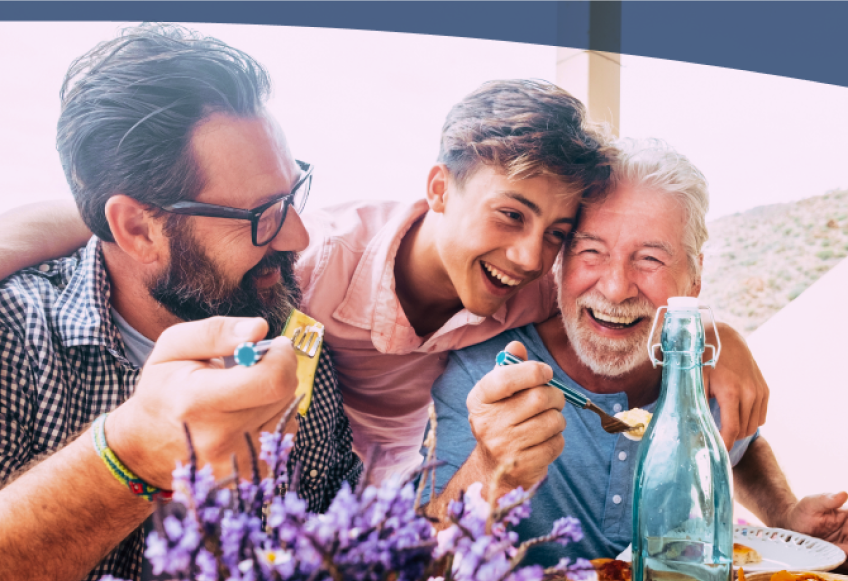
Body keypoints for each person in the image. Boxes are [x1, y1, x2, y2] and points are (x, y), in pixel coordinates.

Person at [0, 75, 770, 483]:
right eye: (510, 215)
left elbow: (623, 296)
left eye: (558, 235)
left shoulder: (539, 282)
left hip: (397, 498)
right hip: (310, 483)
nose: (531, 256)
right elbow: (174, 235)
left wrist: (712, 331)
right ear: (439, 189)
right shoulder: (308, 265)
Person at [0, 25, 361, 581]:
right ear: (138, 228)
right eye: (261, 214)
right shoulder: (17, 339)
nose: (298, 237)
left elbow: (334, 548)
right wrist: (126, 456)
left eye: (293, 194)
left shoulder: (286, 328)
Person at [423, 139, 848, 566]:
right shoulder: (483, 374)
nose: (615, 289)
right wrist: (490, 470)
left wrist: (784, 515)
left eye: (649, 259)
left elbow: (736, 447)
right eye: (592, 252)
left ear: (694, 279)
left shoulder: (701, 371)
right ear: (560, 263)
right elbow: (417, 563)